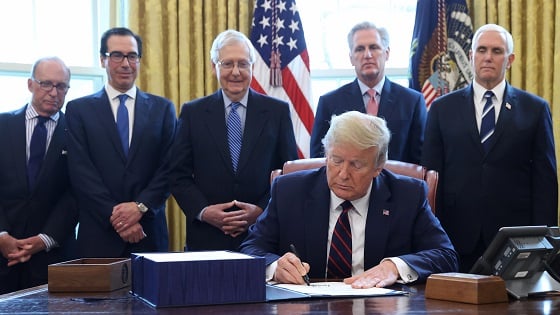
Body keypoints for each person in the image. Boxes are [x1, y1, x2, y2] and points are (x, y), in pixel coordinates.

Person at [240, 111, 457, 287]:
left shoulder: (408, 195)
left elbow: (445, 256)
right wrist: (275, 266)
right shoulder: (289, 190)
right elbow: (251, 249)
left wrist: (395, 267)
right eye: (336, 160)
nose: (343, 174)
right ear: (326, 154)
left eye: (356, 164)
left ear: (378, 167)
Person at [422, 24, 558, 272]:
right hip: (455, 237)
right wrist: (430, 235)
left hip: (515, 241)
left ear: (510, 60)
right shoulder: (442, 109)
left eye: (497, 51)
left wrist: (544, 243)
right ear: (471, 55)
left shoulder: (535, 109)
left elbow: (545, 181)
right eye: (482, 50)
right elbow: (432, 178)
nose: (488, 57)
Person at [169, 29, 298, 251]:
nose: (236, 72)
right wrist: (204, 212)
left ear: (253, 67)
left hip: (262, 236)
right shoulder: (193, 112)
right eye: (227, 64)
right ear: (213, 67)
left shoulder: (277, 111)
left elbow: (287, 173)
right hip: (206, 238)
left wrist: (261, 211)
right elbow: (177, 174)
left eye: (243, 64)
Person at [66, 27, 176, 258]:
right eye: (117, 55)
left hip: (148, 234)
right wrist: (119, 219)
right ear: (103, 59)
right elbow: (80, 171)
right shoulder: (79, 110)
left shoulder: (163, 109)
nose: (125, 63)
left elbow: (169, 167)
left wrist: (140, 208)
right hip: (99, 235)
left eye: (132, 56)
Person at [0, 57, 77, 293]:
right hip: (3, 251)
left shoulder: (76, 132)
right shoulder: (3, 125)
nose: (54, 92)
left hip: (54, 254)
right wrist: (2, 235)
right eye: (46, 84)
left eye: (61, 86)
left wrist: (45, 239)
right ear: (30, 84)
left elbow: (78, 190)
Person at [310, 21, 426, 164]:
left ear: (387, 53)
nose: (367, 55)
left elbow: (421, 162)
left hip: (397, 185)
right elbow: (318, 159)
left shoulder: (412, 102)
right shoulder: (329, 103)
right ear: (351, 58)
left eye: (374, 47)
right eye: (359, 49)